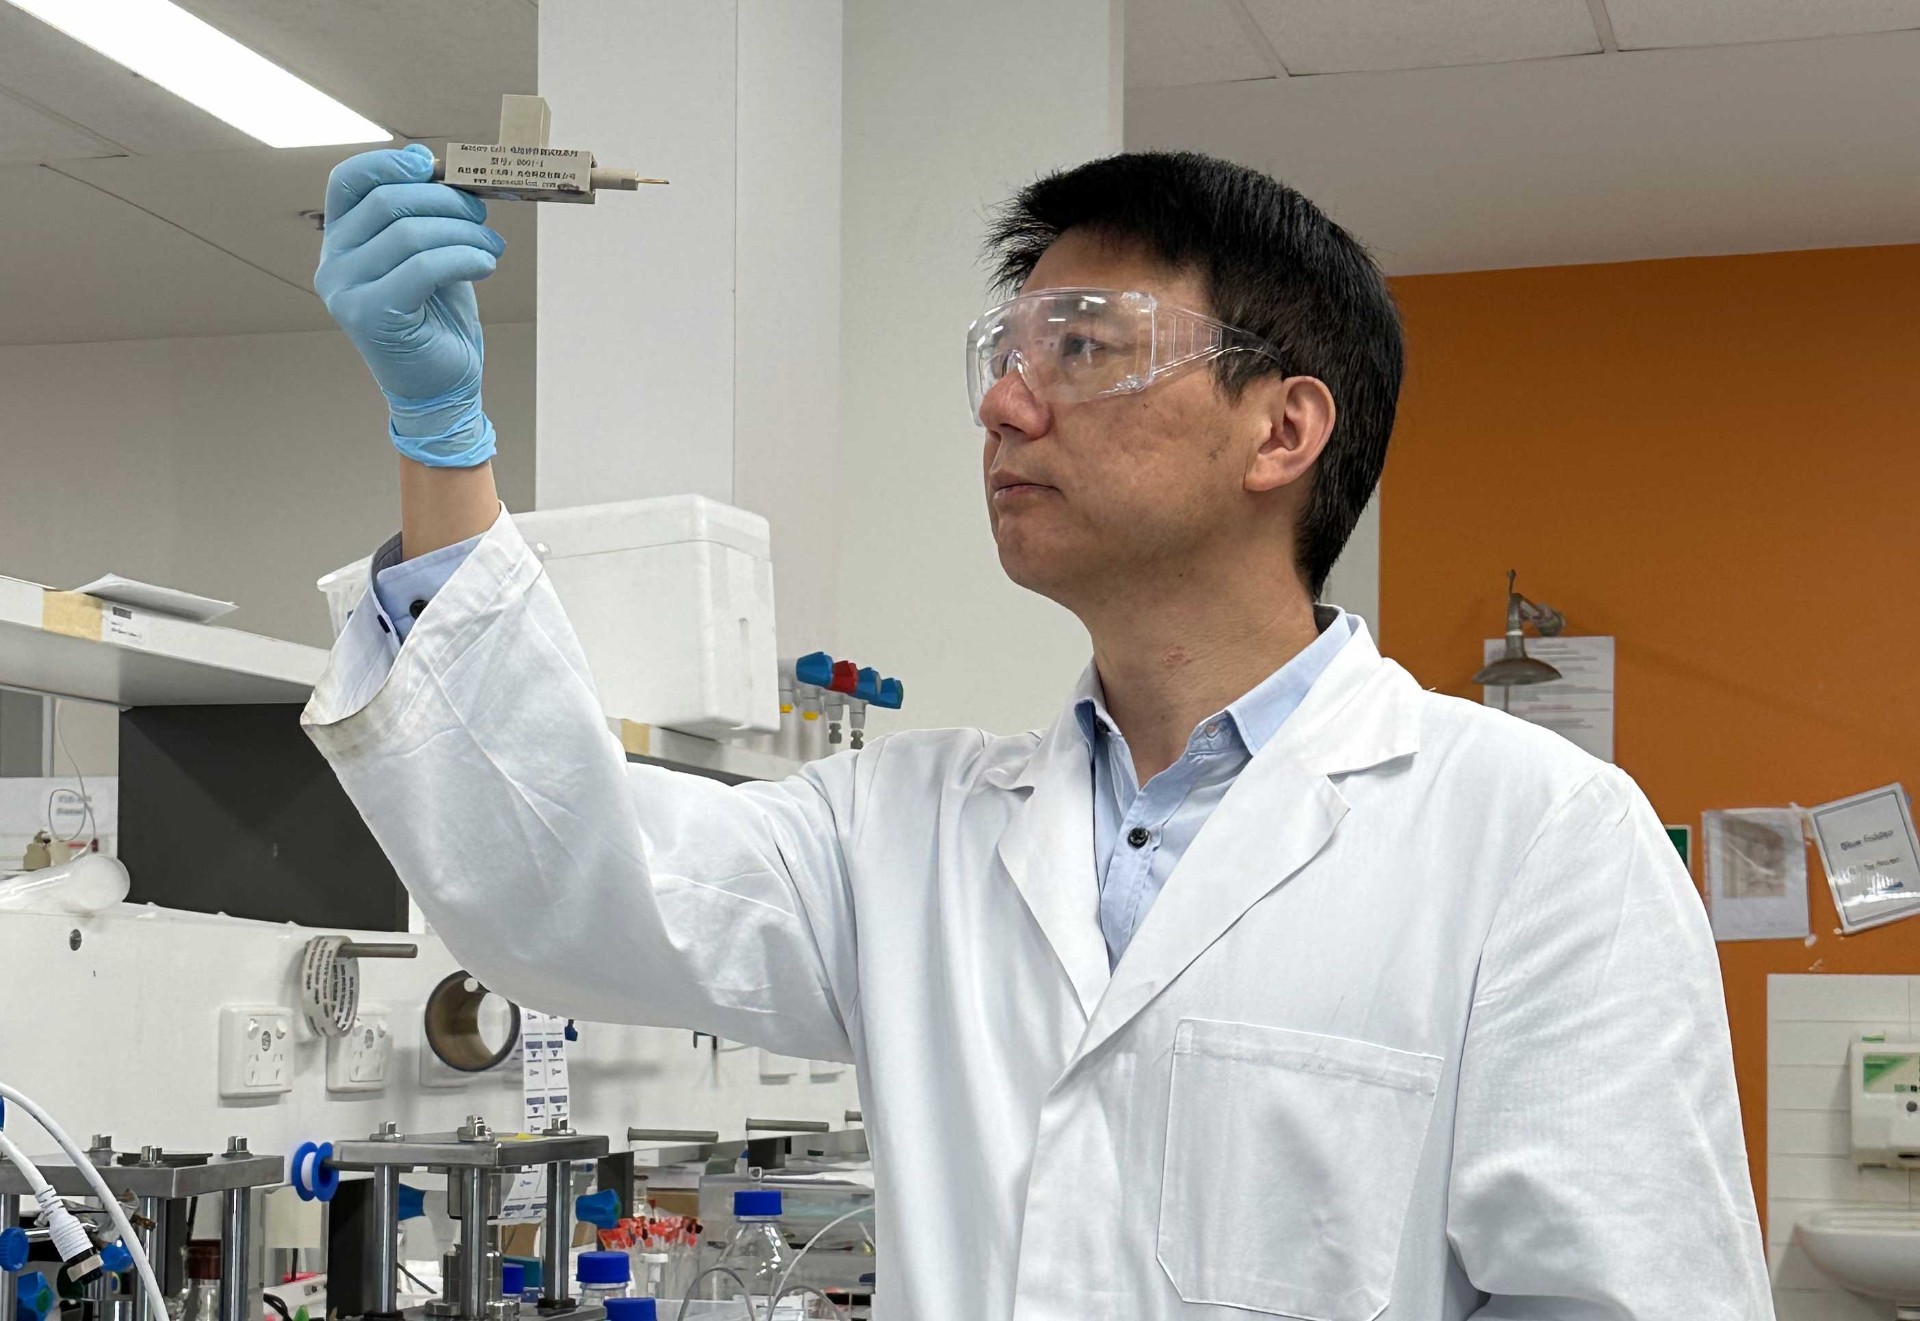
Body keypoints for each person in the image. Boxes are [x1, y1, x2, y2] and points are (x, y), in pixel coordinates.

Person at [307, 144, 1771, 1320]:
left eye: (1082, 347)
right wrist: (447, 449)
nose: (1005, 404)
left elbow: (1627, 1293)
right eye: (1003, 352)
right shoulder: (903, 825)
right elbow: (559, 879)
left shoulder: (1537, 836)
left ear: (1284, 429)